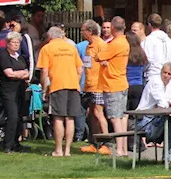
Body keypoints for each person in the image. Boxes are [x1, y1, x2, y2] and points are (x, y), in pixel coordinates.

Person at [37, 25, 83, 157]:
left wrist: (44, 89)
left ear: (50, 36)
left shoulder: (47, 48)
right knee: (70, 118)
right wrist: (76, 82)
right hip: (73, 85)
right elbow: (80, 70)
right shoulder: (71, 47)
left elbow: (44, 71)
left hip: (57, 85)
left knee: (58, 118)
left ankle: (58, 149)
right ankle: (67, 150)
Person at [96, 18, 131, 157]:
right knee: (122, 118)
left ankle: (120, 150)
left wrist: (103, 58)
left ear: (112, 29)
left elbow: (99, 56)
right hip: (122, 82)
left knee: (115, 118)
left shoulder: (115, 44)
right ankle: (123, 149)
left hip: (112, 85)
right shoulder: (125, 41)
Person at [137, 62, 171, 162]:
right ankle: (167, 158)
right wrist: (166, 103)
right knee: (170, 123)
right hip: (145, 120)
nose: (166, 76)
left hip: (158, 118)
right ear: (161, 72)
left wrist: (167, 103)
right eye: (164, 72)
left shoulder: (169, 84)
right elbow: (163, 104)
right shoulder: (155, 82)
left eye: (169, 74)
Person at [0, 32, 31, 153]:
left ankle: (16, 142)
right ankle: (8, 144)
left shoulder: (19, 57)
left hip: (20, 90)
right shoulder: (3, 56)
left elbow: (27, 72)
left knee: (20, 117)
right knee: (12, 116)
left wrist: (20, 74)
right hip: (8, 91)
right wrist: (20, 74)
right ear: (8, 43)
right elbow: (9, 73)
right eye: (14, 43)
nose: (16, 45)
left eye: (18, 43)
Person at [78, 20, 110, 155]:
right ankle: (95, 142)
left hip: (98, 85)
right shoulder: (88, 46)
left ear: (90, 31)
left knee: (99, 113)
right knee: (91, 114)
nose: (81, 32)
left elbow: (107, 62)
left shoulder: (101, 45)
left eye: (83, 30)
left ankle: (106, 143)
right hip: (89, 85)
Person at [126, 31, 148, 112]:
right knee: (137, 113)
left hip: (127, 85)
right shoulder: (142, 54)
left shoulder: (126, 54)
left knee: (125, 114)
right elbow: (147, 65)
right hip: (139, 85)